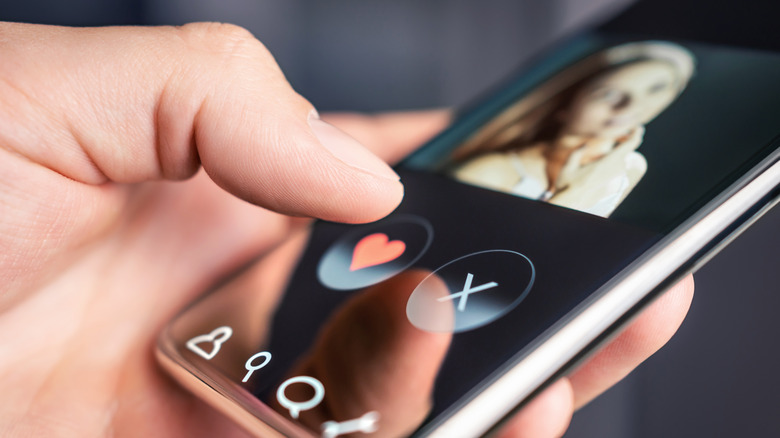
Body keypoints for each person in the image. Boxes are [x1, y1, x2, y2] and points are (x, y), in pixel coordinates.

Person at [0, 22, 694, 437]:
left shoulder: (596, 176)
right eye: (614, 91)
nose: (622, 112)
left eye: (650, 102)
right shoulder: (490, 168)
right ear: (573, 91)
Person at [452, 42, 694, 217]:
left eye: (657, 88)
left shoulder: (631, 167)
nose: (632, 106)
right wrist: (573, 195)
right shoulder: (486, 173)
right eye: (608, 93)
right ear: (564, 106)